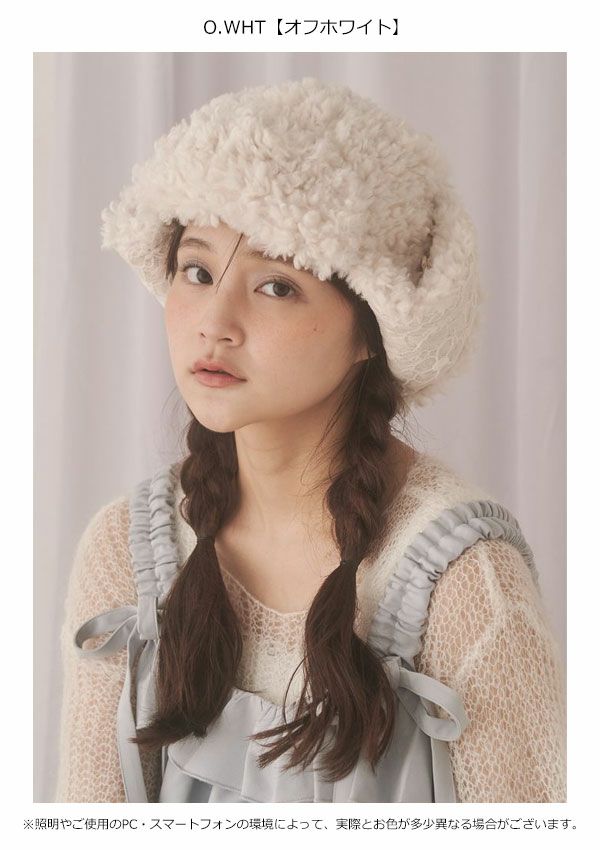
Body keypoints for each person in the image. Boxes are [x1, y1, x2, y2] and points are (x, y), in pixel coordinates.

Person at [54, 77, 566, 803]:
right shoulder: (125, 552)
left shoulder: (464, 584)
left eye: (277, 287)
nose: (213, 323)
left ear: (374, 331)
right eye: (197, 271)